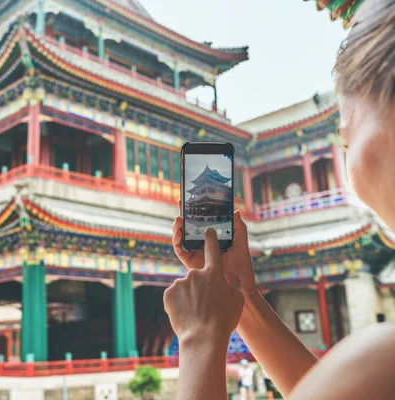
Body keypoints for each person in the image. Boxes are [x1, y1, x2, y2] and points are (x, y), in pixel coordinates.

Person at [164, 1, 395, 398]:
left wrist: (199, 336)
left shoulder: (380, 359)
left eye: (344, 133)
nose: (344, 141)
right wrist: (244, 298)